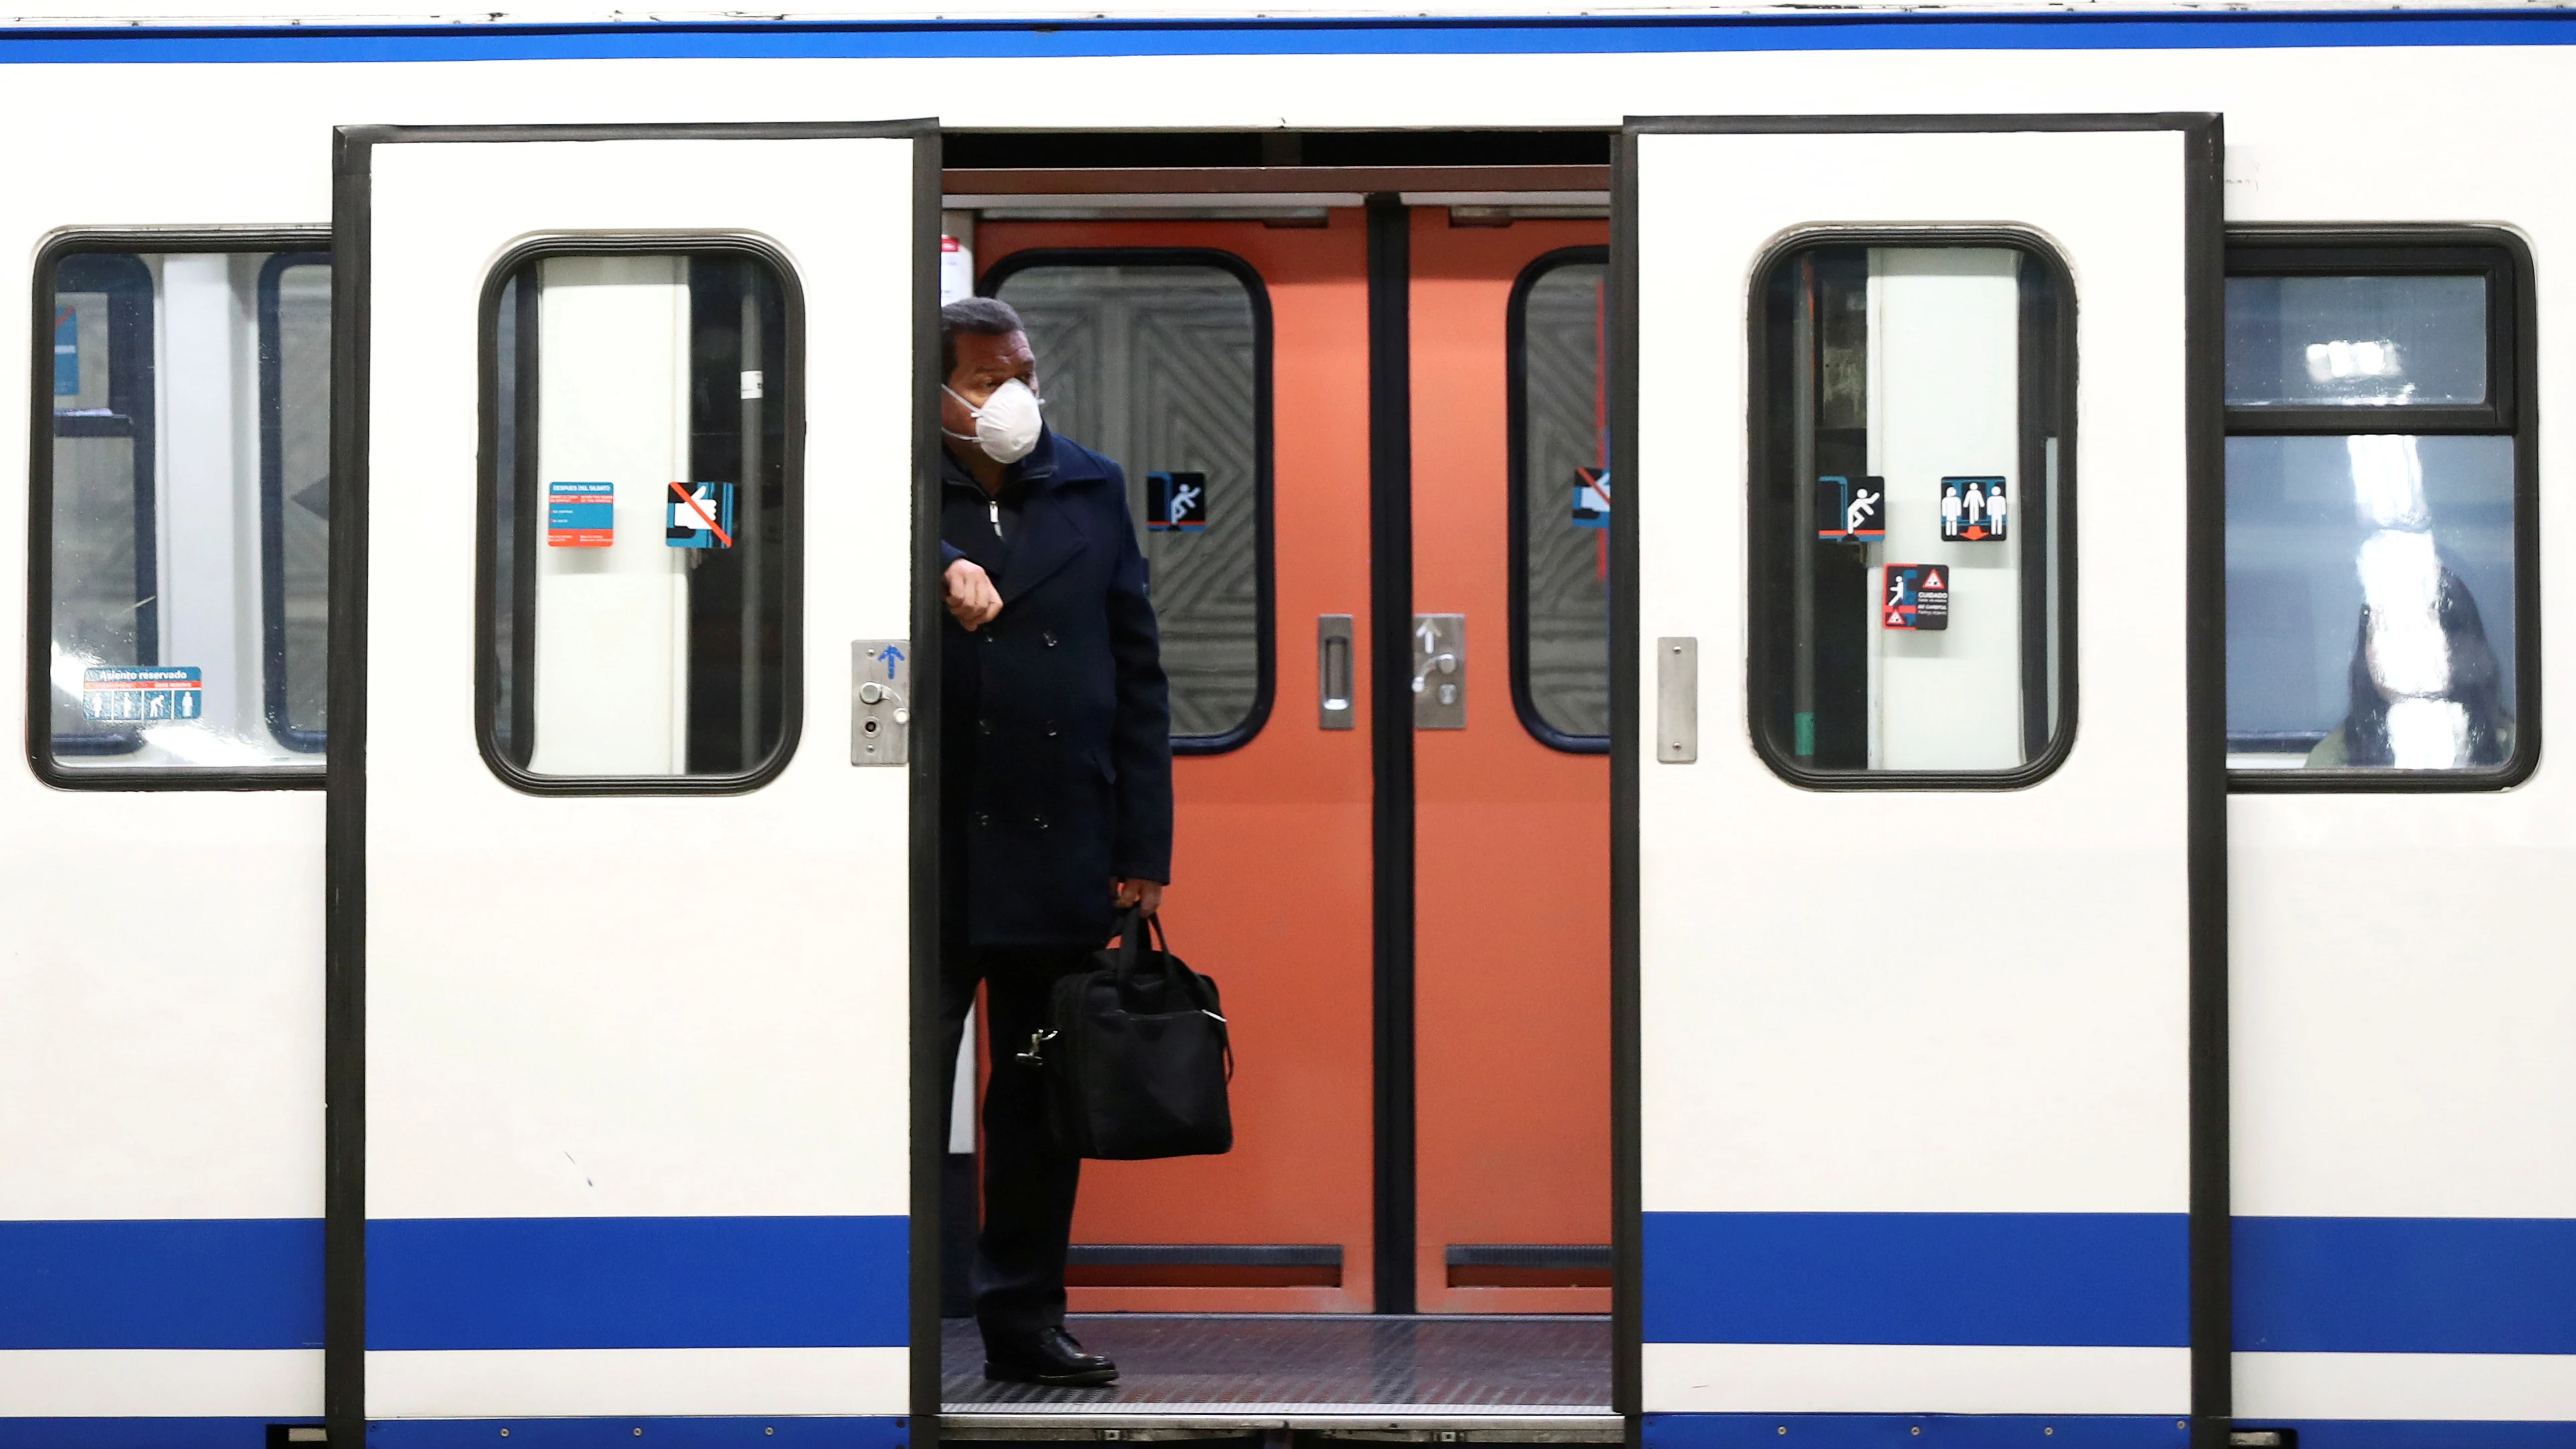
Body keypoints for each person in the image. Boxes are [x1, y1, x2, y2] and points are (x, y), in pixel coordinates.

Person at [934, 296, 1173, 1388]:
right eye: (986, 380)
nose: (1012, 397)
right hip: (921, 860)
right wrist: (933, 562)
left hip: (1061, 843)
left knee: (1036, 1102)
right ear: (934, 394)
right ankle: (865, 1323)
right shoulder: (891, 494)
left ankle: (1024, 1323)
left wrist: (1142, 845)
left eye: (1021, 371)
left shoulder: (1091, 485)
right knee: (887, 1095)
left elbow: (1138, 679)